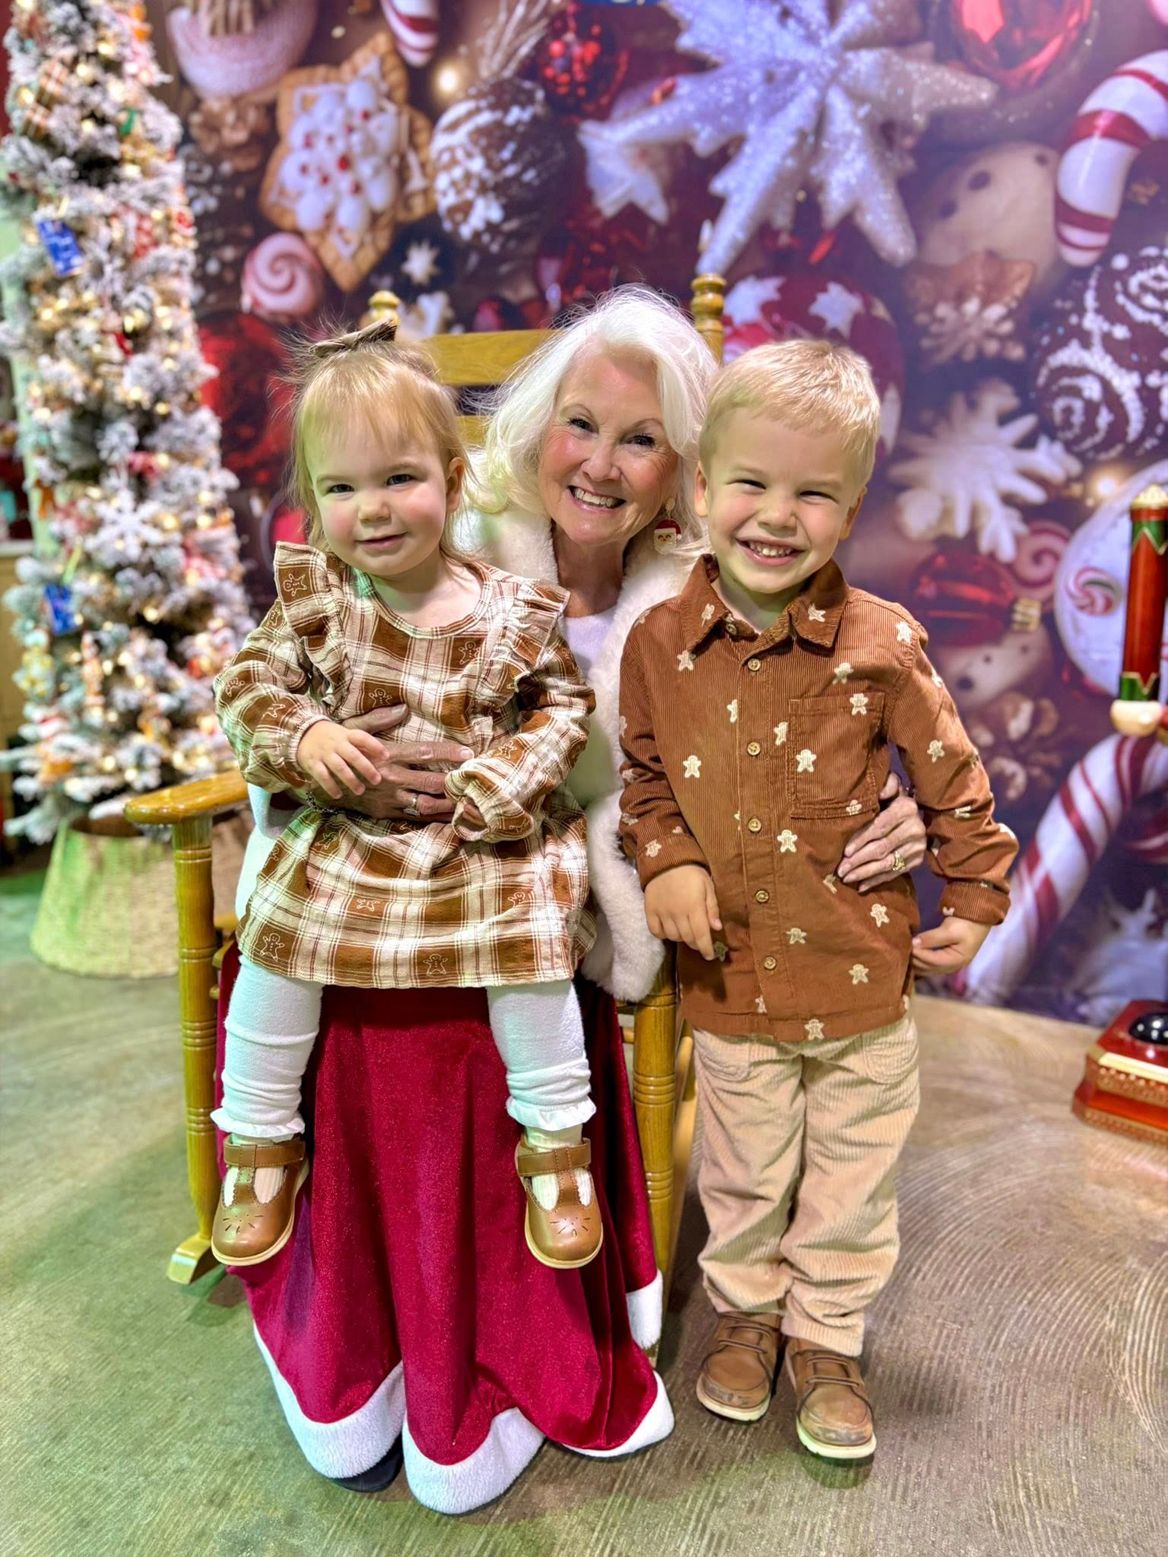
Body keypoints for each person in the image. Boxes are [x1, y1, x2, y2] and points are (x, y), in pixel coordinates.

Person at [225, 288, 930, 1512]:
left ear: (686, 472)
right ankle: (333, 1277)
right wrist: (322, 750)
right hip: (371, 873)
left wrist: (894, 799)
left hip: (557, 907)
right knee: (322, 993)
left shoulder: (711, 592)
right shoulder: (426, 535)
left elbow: (817, 713)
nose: (601, 463)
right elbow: (271, 683)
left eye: (643, 437)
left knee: (524, 1004)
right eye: (580, 423)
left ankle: (524, 1286)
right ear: (531, 427)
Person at [617, 339, 1017, 1461]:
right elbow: (644, 779)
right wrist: (669, 864)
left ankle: (827, 1338)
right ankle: (743, 1314)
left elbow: (954, 779)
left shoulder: (882, 643)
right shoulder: (659, 643)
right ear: (700, 486)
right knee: (743, 1173)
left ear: (850, 509)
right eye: (749, 482)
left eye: (814, 493)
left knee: (849, 1178)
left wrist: (977, 896)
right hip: (732, 978)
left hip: (859, 978)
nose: (774, 515)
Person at [211, 320, 603, 1276]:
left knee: (532, 937)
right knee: (281, 929)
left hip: (477, 835)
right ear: (312, 503)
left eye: (399, 479)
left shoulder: (508, 610)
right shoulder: (320, 605)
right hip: (350, 832)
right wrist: (307, 735)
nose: (372, 510)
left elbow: (561, 706)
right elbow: (248, 688)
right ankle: (261, 1141)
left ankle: (556, 1141)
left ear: (452, 484)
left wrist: (502, 781)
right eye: (341, 489)